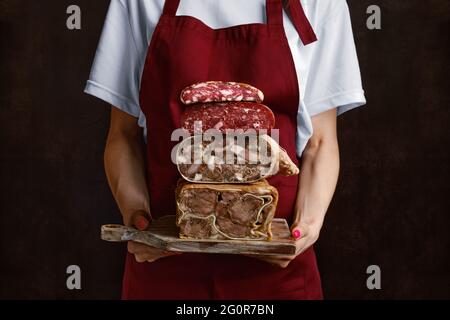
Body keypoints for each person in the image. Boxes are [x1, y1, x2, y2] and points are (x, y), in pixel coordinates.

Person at [85, 0, 366, 299]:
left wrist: (306, 227)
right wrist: (136, 217)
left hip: (275, 277)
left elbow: (320, 143)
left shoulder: (320, 3)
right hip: (166, 271)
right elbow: (123, 136)